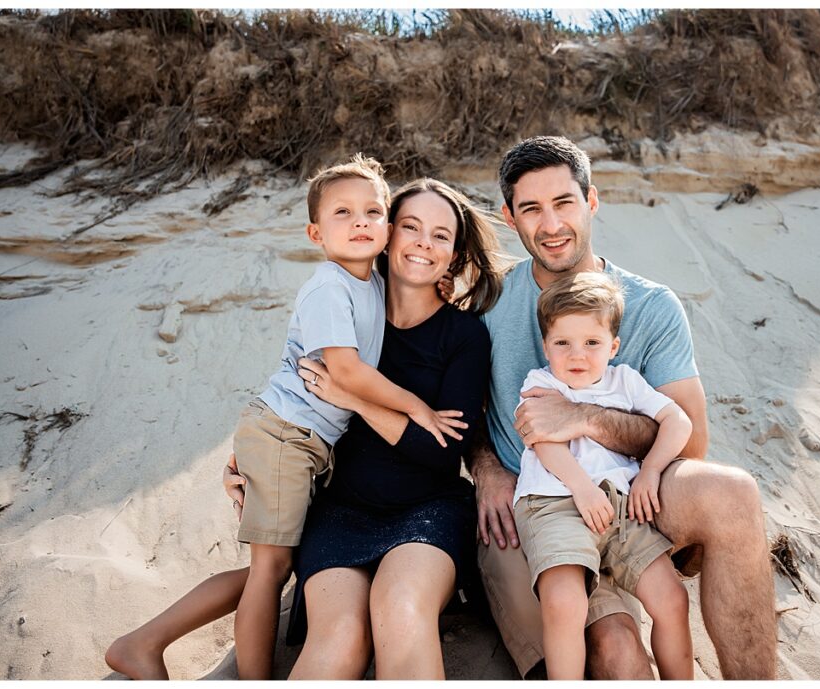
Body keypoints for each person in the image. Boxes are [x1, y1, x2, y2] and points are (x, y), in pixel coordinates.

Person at [105, 177, 506, 680]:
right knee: (337, 637)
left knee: (400, 612)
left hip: (427, 510)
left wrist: (353, 399)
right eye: (410, 226)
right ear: (387, 234)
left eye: (441, 235)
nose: (424, 242)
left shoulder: (464, 334)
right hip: (340, 510)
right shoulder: (352, 301)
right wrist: (247, 461)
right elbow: (295, 396)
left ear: (454, 254)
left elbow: (441, 447)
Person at [469, 135, 777, 679]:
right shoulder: (489, 303)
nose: (552, 224)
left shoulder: (652, 306)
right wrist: (488, 466)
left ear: (591, 200)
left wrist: (585, 418)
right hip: (543, 505)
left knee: (733, 495)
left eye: (564, 203)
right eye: (532, 209)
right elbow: (456, 406)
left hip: (639, 496)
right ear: (510, 219)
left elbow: (692, 442)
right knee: (617, 651)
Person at [223, 155, 462, 679]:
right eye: (343, 213)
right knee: (269, 570)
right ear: (315, 232)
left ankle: (151, 637)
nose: (360, 223)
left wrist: (446, 285)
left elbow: (418, 276)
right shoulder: (332, 286)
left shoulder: (371, 282)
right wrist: (415, 405)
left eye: (372, 212)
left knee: (276, 567)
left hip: (314, 447)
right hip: (291, 439)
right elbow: (345, 373)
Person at [513, 271, 694, 679]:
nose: (577, 355)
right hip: (554, 501)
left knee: (672, 598)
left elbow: (678, 421)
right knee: (565, 602)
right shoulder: (539, 383)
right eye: (563, 343)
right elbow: (541, 439)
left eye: (592, 343)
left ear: (613, 346)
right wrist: (581, 487)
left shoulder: (625, 382)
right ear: (546, 346)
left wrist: (650, 471)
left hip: (621, 506)